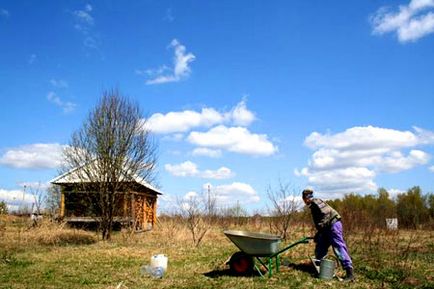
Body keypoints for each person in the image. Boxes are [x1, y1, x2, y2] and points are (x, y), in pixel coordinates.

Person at [302, 189, 354, 282]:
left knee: (338, 247)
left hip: (333, 225)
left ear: (306, 198)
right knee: (320, 246)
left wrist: (321, 228)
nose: (305, 201)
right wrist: (319, 232)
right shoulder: (312, 205)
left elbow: (327, 214)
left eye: (305, 198)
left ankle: (349, 273)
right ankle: (320, 268)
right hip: (326, 228)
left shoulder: (316, 202)